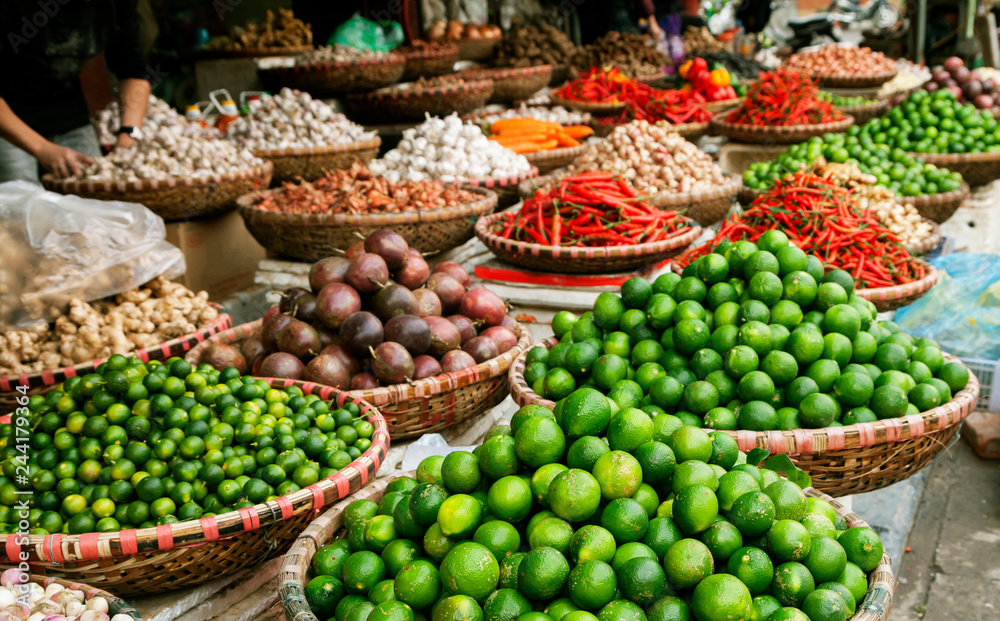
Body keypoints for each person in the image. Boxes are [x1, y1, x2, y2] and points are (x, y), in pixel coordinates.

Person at [0, 0, 153, 183]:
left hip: (69, 115)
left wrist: (129, 134)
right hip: (8, 120)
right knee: (19, 201)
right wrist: (42, 148)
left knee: (96, 194)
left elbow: (133, 71)